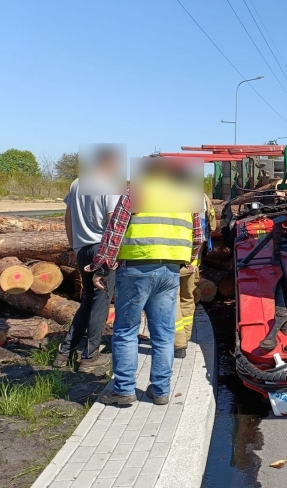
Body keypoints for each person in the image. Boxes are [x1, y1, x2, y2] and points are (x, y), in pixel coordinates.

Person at [88, 171, 204, 406]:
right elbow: (198, 236)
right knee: (163, 334)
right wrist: (188, 260)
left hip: (136, 270)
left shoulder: (137, 191)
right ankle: (161, 391)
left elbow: (116, 231)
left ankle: (124, 390)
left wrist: (101, 266)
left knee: (126, 331)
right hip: (170, 271)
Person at [54, 149, 121, 371]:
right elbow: (113, 222)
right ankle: (90, 356)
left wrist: (73, 246)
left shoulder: (77, 183)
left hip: (82, 249)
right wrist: (113, 253)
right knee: (101, 302)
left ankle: (65, 352)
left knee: (89, 300)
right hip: (102, 248)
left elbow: (68, 215)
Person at [175, 193, 214, 357]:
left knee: (172, 299)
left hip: (172, 256)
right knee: (187, 297)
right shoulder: (202, 197)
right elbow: (211, 224)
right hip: (192, 257)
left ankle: (178, 343)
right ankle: (186, 337)